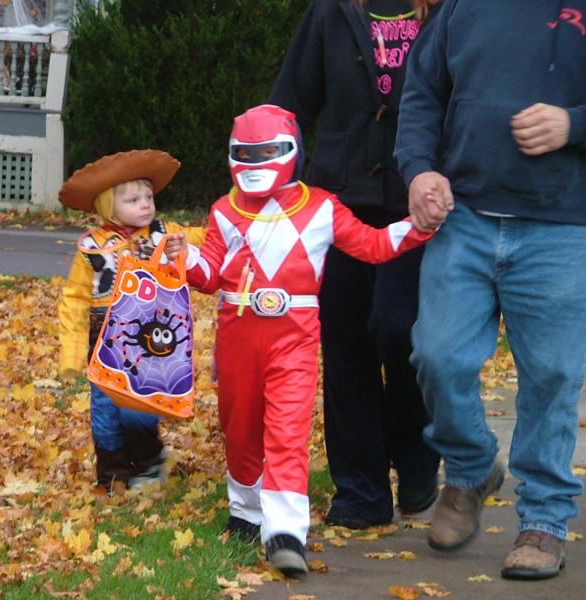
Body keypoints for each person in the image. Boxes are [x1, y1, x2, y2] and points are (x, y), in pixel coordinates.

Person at [165, 104, 440, 577]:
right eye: (246, 154)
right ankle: (246, 510)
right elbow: (209, 274)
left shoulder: (322, 207)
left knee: (288, 431)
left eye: (267, 152)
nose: (256, 163)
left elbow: (372, 245)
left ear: (292, 151)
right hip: (238, 338)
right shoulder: (224, 210)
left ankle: (285, 533)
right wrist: (185, 256)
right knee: (240, 427)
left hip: (294, 339)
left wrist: (420, 227)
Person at [395, 0, 586, 581]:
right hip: (465, 217)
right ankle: (473, 466)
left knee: (551, 377)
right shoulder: (460, 7)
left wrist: (574, 124)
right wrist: (418, 170)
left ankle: (544, 520)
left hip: (561, 223)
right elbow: (422, 94)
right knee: (437, 355)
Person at [267, 0, 442, 530]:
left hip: (416, 205)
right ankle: (361, 491)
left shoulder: (447, 12)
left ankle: (416, 457)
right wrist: (271, 188)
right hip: (336, 201)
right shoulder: (332, 11)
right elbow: (289, 107)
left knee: (401, 330)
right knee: (345, 346)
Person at [57, 149, 204, 495]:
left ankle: (148, 460)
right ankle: (113, 475)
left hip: (149, 339)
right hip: (104, 341)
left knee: (139, 405)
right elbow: (74, 299)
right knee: (105, 410)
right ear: (108, 206)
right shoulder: (93, 248)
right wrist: (71, 355)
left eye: (148, 197)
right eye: (133, 199)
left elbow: (210, 238)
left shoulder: (164, 234)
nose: (145, 205)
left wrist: (191, 244)